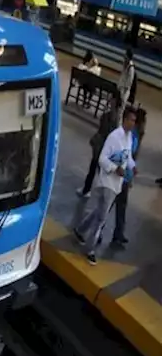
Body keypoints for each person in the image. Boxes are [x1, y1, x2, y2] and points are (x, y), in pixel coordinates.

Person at [75, 106, 135, 265]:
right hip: (107, 182)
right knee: (101, 218)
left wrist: (132, 166)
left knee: (99, 212)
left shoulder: (129, 138)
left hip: (116, 184)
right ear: (124, 120)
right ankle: (90, 249)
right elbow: (102, 159)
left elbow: (126, 156)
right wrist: (116, 169)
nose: (132, 123)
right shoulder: (114, 137)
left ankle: (81, 230)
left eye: (134, 121)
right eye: (130, 120)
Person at [111, 107, 144, 247]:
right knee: (108, 206)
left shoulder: (132, 137)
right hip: (116, 177)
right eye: (132, 120)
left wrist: (131, 172)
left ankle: (118, 233)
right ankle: (96, 231)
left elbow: (130, 156)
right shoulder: (120, 135)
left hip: (124, 177)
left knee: (121, 207)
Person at [80, 94, 123, 197]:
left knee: (95, 168)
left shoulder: (109, 116)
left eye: (112, 98)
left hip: (101, 146)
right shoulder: (117, 117)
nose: (110, 100)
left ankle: (87, 189)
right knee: (99, 170)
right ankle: (91, 190)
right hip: (105, 147)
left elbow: (103, 130)